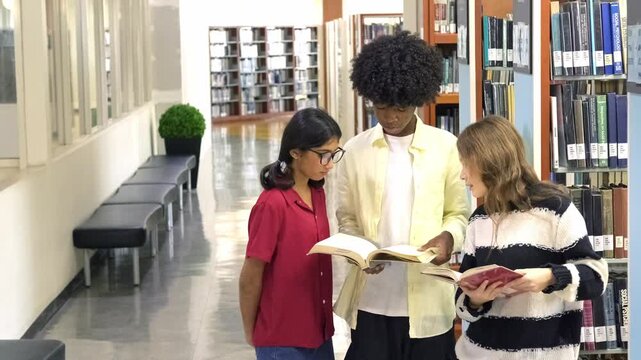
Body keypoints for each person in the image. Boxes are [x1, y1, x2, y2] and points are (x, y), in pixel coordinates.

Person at [334, 31, 470, 360]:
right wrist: (358, 250)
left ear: (418, 98)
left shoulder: (445, 147)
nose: (391, 117)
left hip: (428, 301)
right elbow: (346, 217)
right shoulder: (354, 151)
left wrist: (448, 239)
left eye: (400, 108)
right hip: (370, 301)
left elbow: (459, 213)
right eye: (382, 107)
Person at [454, 116, 609, 359]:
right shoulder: (479, 219)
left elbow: (597, 277)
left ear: (488, 162)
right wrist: (474, 301)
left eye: (465, 164)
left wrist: (550, 277)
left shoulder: (555, 210)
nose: (462, 175)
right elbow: (463, 304)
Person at [238, 108, 345, 360]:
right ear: (295, 152)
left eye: (334, 154)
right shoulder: (272, 204)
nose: (329, 164)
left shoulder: (317, 193)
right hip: (283, 339)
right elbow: (250, 277)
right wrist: (251, 331)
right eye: (323, 155)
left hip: (319, 333)